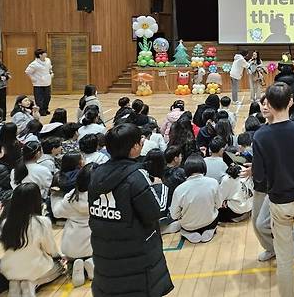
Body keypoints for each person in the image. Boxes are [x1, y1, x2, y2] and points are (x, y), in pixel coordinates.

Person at [252, 82, 294, 297]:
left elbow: (260, 178)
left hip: (278, 200)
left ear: (269, 105)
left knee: (283, 258)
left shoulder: (260, 136)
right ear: (291, 102)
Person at [88, 123, 172, 296]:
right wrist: (159, 187)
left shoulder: (96, 173)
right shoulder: (136, 176)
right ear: (133, 148)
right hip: (136, 253)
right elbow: (155, 211)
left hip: (105, 251)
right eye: (139, 141)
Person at [0, 183, 65, 295]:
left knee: (20, 270)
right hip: (34, 269)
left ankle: (16, 283)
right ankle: (34, 283)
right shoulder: (41, 222)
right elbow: (51, 250)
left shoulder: (5, 222)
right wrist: (60, 257)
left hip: (8, 269)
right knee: (59, 268)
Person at [52, 163, 95, 287]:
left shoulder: (71, 196)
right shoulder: (98, 196)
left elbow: (57, 212)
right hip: (92, 245)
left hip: (71, 245)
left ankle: (74, 267)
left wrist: (55, 195)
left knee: (71, 258)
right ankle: (91, 263)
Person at [170, 154, 222, 243]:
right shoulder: (213, 182)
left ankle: (189, 234)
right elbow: (219, 204)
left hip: (189, 226)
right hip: (210, 222)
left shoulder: (179, 189)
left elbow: (174, 215)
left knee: (183, 225)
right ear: (204, 167)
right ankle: (210, 231)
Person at [24, 49, 53, 116]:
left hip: (47, 82)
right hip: (38, 84)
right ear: (40, 55)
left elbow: (50, 67)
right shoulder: (34, 64)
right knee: (39, 99)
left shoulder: (48, 60)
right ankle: (41, 110)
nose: (46, 54)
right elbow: (27, 72)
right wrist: (33, 79)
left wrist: (51, 73)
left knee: (47, 97)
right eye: (44, 53)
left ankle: (45, 109)